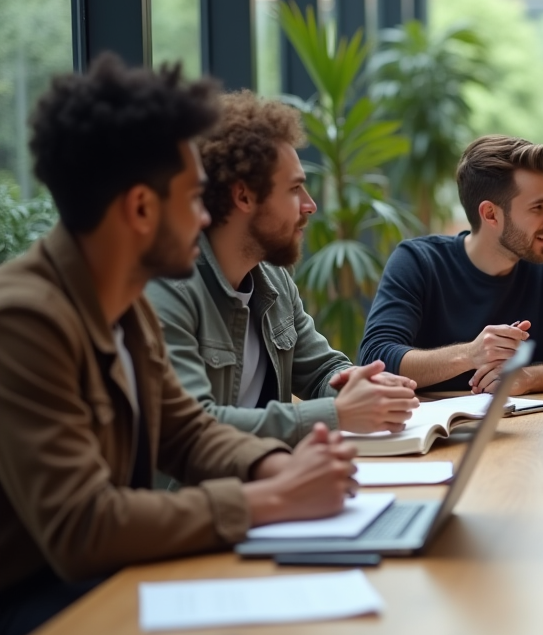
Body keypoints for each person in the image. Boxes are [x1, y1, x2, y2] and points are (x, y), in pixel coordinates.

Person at [0, 56, 358, 635]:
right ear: (141, 208)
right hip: (34, 609)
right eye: (193, 198)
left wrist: (278, 468)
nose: (206, 215)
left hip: (105, 583)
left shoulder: (125, 304)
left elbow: (186, 432)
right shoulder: (25, 320)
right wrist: (271, 498)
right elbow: (82, 527)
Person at [146, 90, 419, 446]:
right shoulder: (166, 289)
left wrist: (359, 384)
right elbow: (191, 427)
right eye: (294, 189)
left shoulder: (273, 280)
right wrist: (337, 414)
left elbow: (321, 371)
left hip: (271, 473)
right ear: (243, 196)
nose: (310, 205)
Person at [359, 135, 543, 394]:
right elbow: (375, 359)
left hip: (532, 420)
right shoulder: (418, 262)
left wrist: (529, 378)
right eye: (538, 207)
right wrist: (470, 354)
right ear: (491, 214)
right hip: (430, 420)